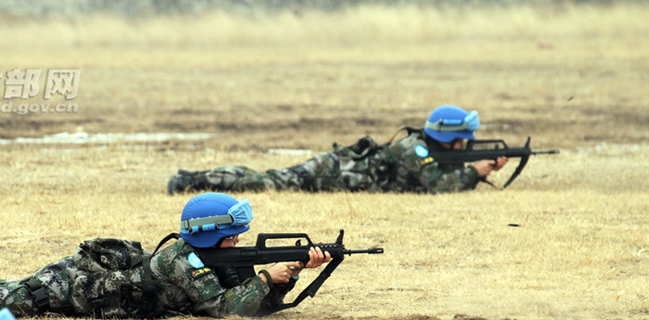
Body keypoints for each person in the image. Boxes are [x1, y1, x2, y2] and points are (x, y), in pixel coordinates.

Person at [0, 193, 330, 320]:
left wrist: (285, 278)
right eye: (233, 238)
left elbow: (245, 299)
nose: (237, 245)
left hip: (91, 286)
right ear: (214, 237)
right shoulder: (186, 262)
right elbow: (226, 309)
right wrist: (267, 277)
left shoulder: (200, 255)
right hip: (74, 290)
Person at [167, 104, 509, 195]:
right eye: (462, 137)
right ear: (447, 136)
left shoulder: (426, 146)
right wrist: (475, 172)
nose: (466, 143)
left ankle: (194, 178)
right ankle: (191, 181)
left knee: (265, 178)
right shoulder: (414, 148)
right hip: (329, 174)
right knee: (264, 182)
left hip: (337, 174)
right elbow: (438, 185)